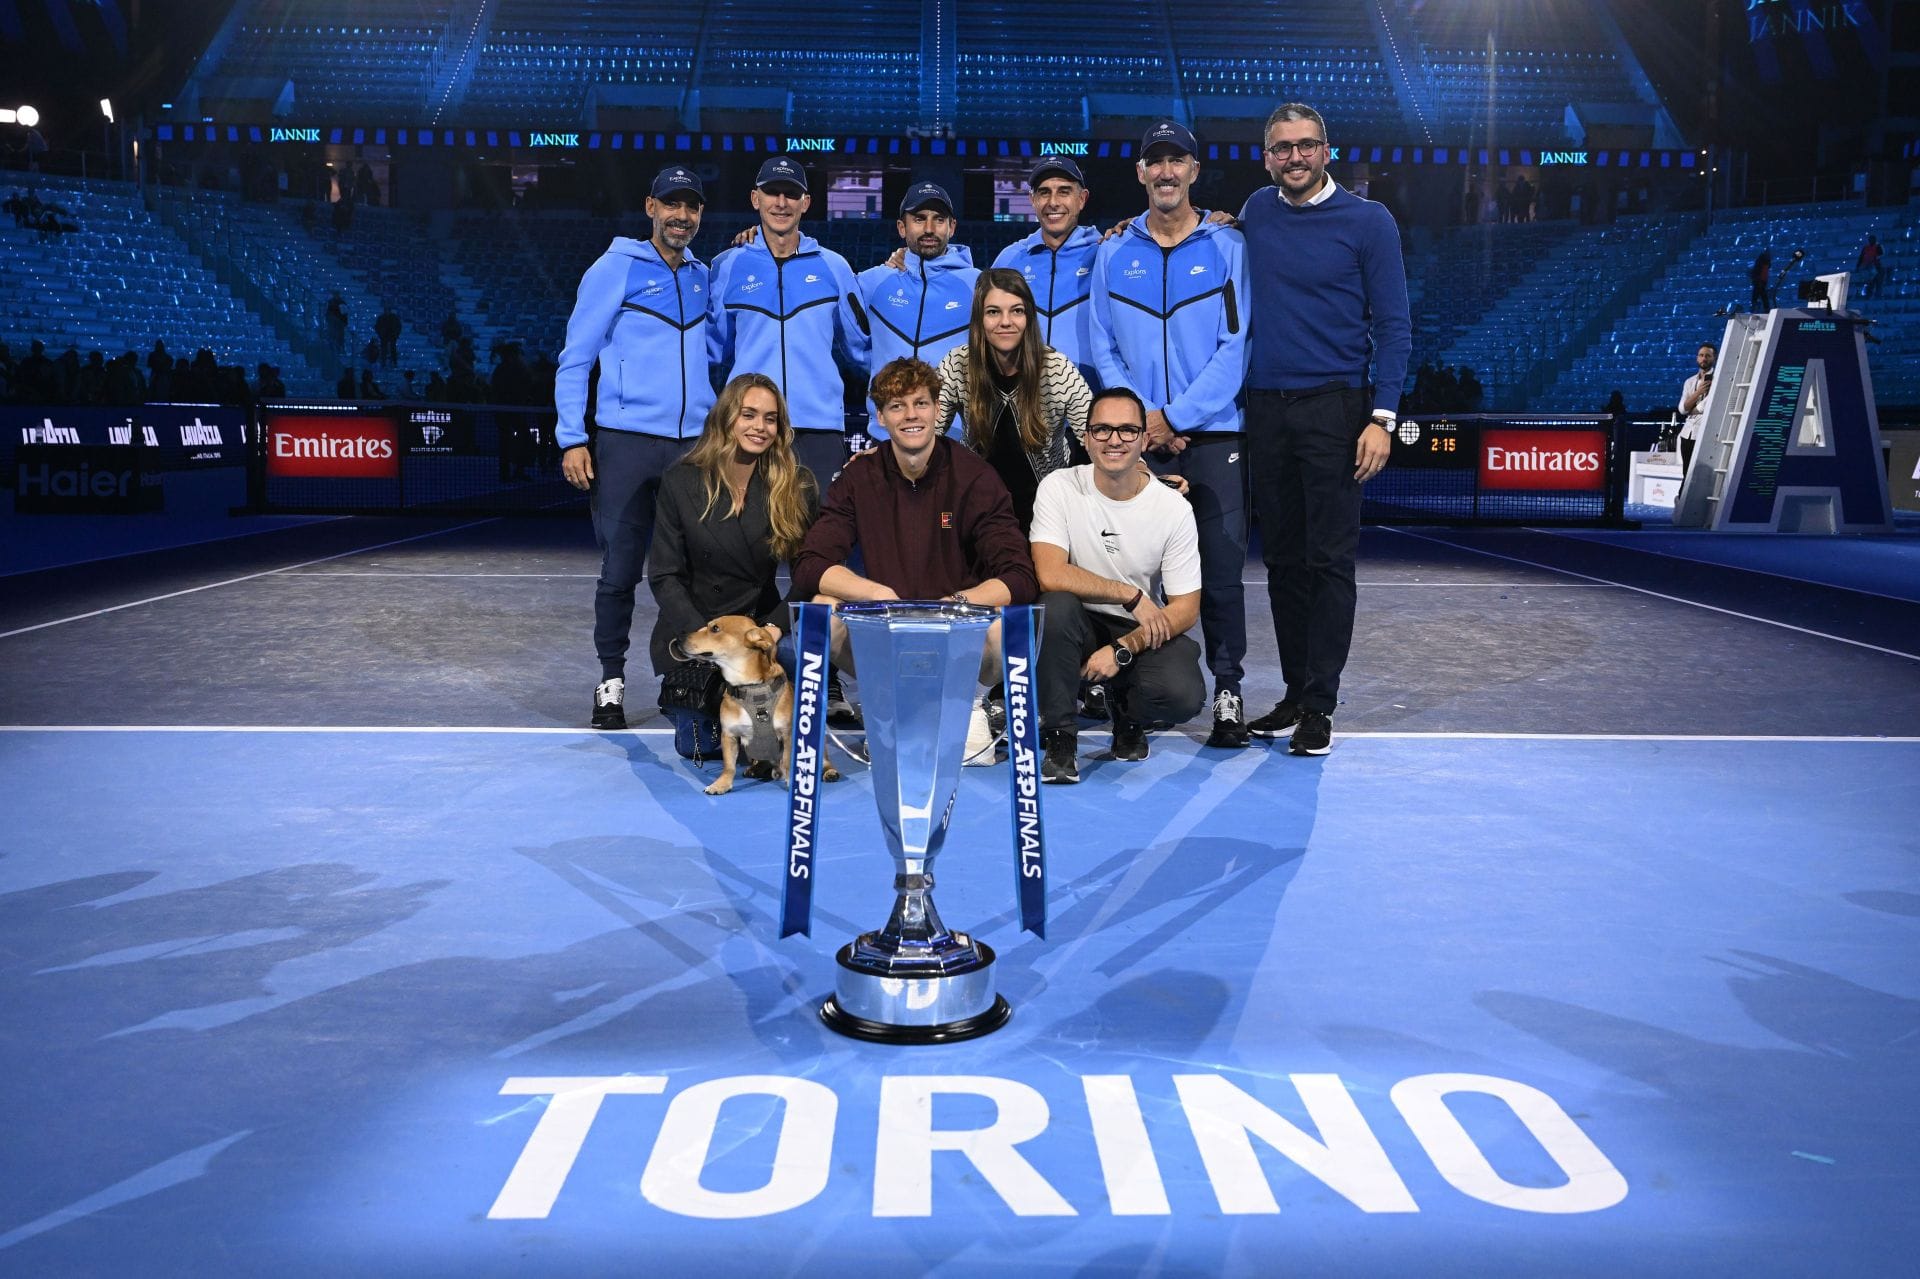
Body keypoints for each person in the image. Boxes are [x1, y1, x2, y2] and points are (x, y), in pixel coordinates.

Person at [1237, 102, 1411, 757]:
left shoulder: (1370, 222)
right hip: (1267, 409)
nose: (1295, 157)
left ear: (1327, 151)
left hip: (1338, 410)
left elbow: (1394, 324)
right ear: (1267, 157)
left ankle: (1320, 706)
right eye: (1282, 148)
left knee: (1329, 559)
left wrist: (1382, 417)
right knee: (1280, 559)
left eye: (1306, 145)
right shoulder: (1255, 212)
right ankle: (1292, 690)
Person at [1089, 119, 1251, 749]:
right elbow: (1103, 346)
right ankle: (1121, 697)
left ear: (1193, 171)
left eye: (1175, 161)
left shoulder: (1227, 246)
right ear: (1140, 174)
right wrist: (1144, 421)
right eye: (1154, 162)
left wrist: (1174, 418)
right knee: (1116, 567)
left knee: (1220, 570)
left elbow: (1235, 347)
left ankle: (1230, 689)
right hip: (1134, 437)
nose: (1165, 172)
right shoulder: (1112, 251)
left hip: (1209, 435)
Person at [791, 356, 1038, 757]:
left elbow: (1019, 576)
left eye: (921, 403)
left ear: (938, 410)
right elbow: (810, 564)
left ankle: (970, 704)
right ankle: (884, 706)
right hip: (886, 639)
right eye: (897, 406)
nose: (911, 415)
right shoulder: (858, 478)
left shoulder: (975, 477)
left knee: (998, 628)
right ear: (880, 419)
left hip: (959, 638)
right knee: (823, 611)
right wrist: (875, 594)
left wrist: (954, 606)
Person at [555, 164, 717, 730]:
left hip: (693, 447)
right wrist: (572, 437)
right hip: (624, 444)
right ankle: (610, 680)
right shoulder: (613, 268)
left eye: (692, 207)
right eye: (671, 205)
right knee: (620, 568)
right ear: (650, 208)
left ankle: (686, 676)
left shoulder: (703, 275)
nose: (682, 216)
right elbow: (575, 357)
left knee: (692, 573)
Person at [1030, 387, 1205, 782]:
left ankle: (1127, 715)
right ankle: (1060, 739)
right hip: (1075, 623)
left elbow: (1185, 609)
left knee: (1182, 694)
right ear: (1086, 438)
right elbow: (1051, 573)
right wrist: (1131, 595)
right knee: (1053, 606)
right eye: (1102, 429)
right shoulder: (1058, 487)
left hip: (1134, 630)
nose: (1114, 440)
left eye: (1127, 430)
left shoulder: (1173, 509)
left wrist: (1122, 650)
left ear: (1145, 439)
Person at [649, 372, 820, 706]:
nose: (760, 427)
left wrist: (773, 627)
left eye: (771, 419)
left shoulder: (795, 485)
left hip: (760, 626)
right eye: (749, 415)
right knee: (700, 744)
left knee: (769, 737)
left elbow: (809, 573)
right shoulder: (681, 480)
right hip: (698, 627)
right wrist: (706, 637)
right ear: (726, 419)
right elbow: (664, 574)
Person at [708, 155, 869, 486]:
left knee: (820, 535)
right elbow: (711, 352)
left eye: (791, 194)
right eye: (772, 193)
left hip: (818, 429)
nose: (781, 203)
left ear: (805, 203)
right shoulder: (726, 267)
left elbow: (863, 352)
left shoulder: (834, 267)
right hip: (749, 427)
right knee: (748, 536)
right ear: (756, 199)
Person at [933, 267, 1091, 531]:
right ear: (979, 318)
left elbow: (1096, 432)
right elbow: (928, 430)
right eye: (993, 312)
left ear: (1028, 316)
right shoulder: (957, 362)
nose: (1005, 321)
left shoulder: (1055, 367)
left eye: (1016, 311)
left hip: (1046, 508)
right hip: (977, 504)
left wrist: (1140, 472)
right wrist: (881, 457)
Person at [855, 181, 979, 434]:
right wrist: (879, 368)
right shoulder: (871, 282)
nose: (930, 229)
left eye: (939, 219)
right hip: (886, 434)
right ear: (902, 227)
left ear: (952, 227)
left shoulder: (978, 285)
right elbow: (851, 343)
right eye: (919, 219)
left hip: (955, 437)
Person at [993, 154, 1102, 388]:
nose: (1053, 202)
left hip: (1089, 405)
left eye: (1064, 191)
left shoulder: (1103, 254)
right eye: (1044, 192)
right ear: (1032, 200)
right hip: (1024, 402)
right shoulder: (1009, 259)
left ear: (1082, 199)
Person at [1677, 342, 1715, 473]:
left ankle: (1684, 494)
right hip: (1687, 434)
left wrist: (1690, 408)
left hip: (1704, 433)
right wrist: (1698, 392)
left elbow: (1704, 408)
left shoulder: (1718, 379)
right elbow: (1682, 409)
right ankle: (1684, 494)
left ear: (1714, 358)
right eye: (1701, 355)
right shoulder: (1689, 381)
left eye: (1708, 356)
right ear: (1697, 358)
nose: (1704, 358)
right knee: (1686, 472)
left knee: (1701, 474)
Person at [1857, 233, 1885, 301]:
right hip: (1868, 267)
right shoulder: (1866, 247)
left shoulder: (1878, 246)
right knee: (1870, 283)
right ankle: (1868, 296)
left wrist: (1874, 258)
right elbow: (1861, 257)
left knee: (1878, 282)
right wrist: (1858, 265)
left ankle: (1878, 296)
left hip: (1876, 266)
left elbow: (1882, 254)